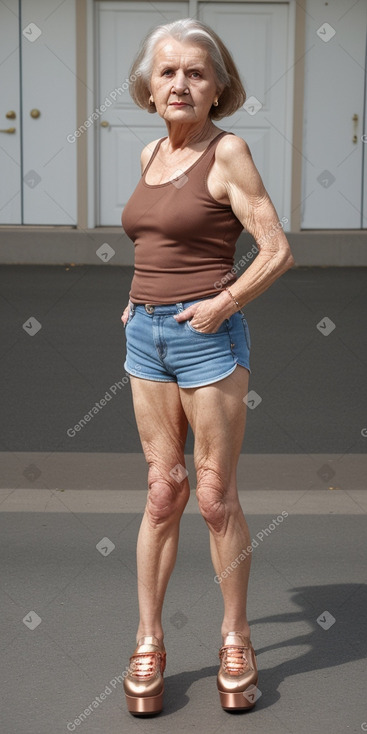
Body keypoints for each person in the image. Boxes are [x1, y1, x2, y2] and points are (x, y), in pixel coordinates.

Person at [120, 17, 294, 716]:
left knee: (214, 497)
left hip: (207, 340)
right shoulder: (147, 155)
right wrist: (132, 303)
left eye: (196, 71)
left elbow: (276, 248)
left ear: (219, 87)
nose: (180, 83)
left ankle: (235, 635)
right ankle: (149, 638)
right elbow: (154, 243)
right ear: (148, 86)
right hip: (146, 343)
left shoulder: (228, 152)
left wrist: (223, 303)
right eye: (167, 71)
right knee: (164, 492)